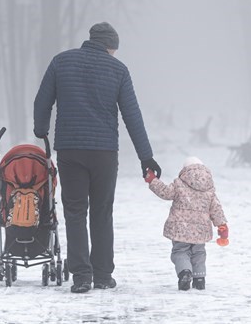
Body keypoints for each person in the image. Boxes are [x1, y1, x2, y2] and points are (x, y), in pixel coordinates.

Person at [34, 22, 161, 293]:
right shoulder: (118, 70)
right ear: (110, 46)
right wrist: (146, 157)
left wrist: (41, 129)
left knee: (75, 211)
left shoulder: (61, 62)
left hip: (70, 150)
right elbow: (132, 115)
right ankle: (103, 275)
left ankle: (81, 275)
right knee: (102, 211)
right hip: (104, 153)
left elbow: (41, 101)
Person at [145, 156, 228, 291]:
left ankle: (185, 273)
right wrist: (222, 226)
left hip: (180, 229)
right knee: (199, 253)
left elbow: (165, 193)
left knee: (180, 252)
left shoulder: (179, 184)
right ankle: (199, 279)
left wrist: (152, 180)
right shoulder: (209, 188)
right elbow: (216, 209)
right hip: (201, 231)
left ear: (185, 170)